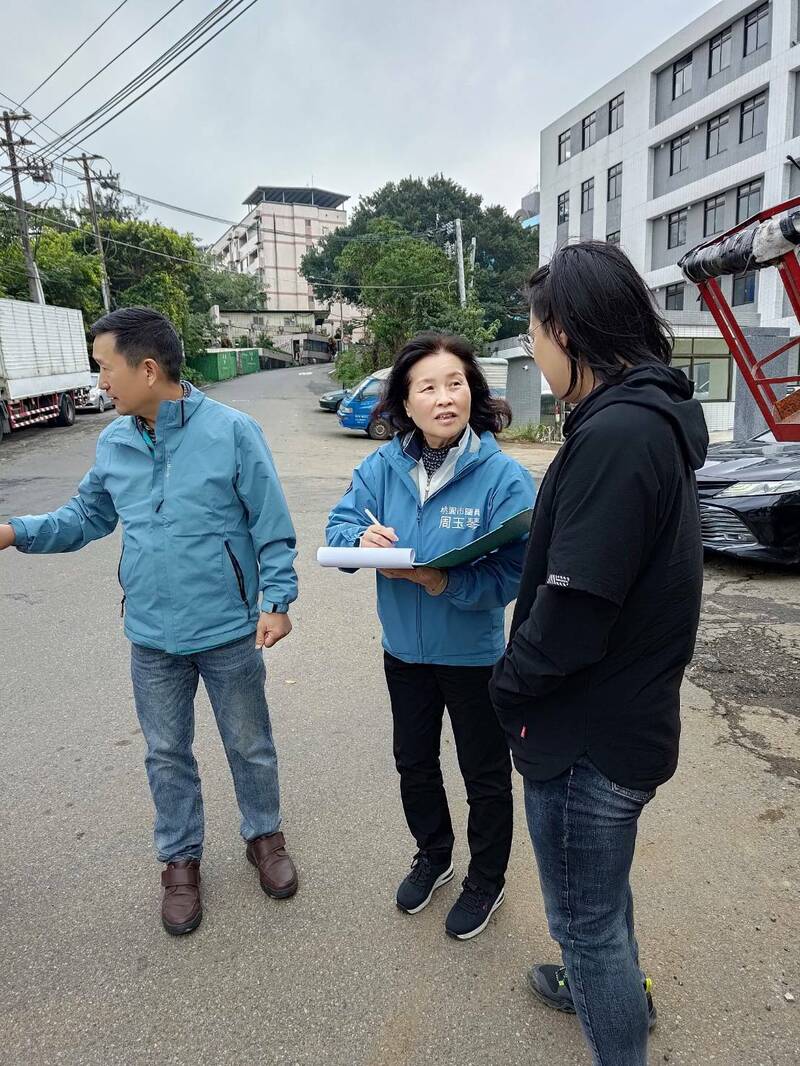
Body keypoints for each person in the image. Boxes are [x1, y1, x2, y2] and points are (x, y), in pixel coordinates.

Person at [0, 307, 300, 936]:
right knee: (167, 753)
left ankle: (264, 838)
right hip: (151, 636)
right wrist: (14, 531)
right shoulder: (113, 441)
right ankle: (180, 862)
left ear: (147, 368)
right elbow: (83, 518)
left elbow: (270, 525)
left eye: (105, 367)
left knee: (249, 742)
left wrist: (277, 599)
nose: (100, 380)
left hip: (226, 629)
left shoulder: (232, 432)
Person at [489, 242, 708, 1065]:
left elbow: (574, 613)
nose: (534, 350)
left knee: (586, 922)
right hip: (619, 720)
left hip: (588, 741)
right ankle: (600, 983)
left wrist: (507, 686)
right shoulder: (646, 420)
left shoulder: (618, 435)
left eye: (536, 333)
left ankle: (608, 1006)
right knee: (599, 902)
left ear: (568, 332)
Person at [326, 332, 535, 940]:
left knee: (485, 772)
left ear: (473, 391)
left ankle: (486, 880)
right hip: (404, 652)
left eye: (456, 384)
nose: (446, 398)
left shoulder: (503, 476)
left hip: (473, 656)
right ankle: (434, 854)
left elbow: (515, 569)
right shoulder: (381, 464)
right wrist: (358, 541)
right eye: (428, 388)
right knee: (413, 763)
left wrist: (446, 584)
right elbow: (340, 523)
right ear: (405, 403)